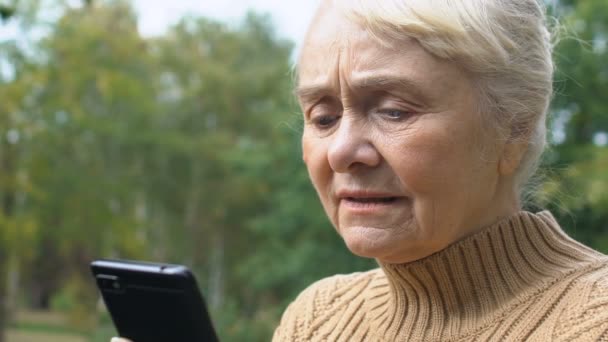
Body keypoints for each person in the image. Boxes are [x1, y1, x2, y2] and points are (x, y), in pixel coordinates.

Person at [113, 0, 608, 341]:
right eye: (323, 117)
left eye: (393, 110)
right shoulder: (318, 320)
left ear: (513, 128)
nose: (342, 151)